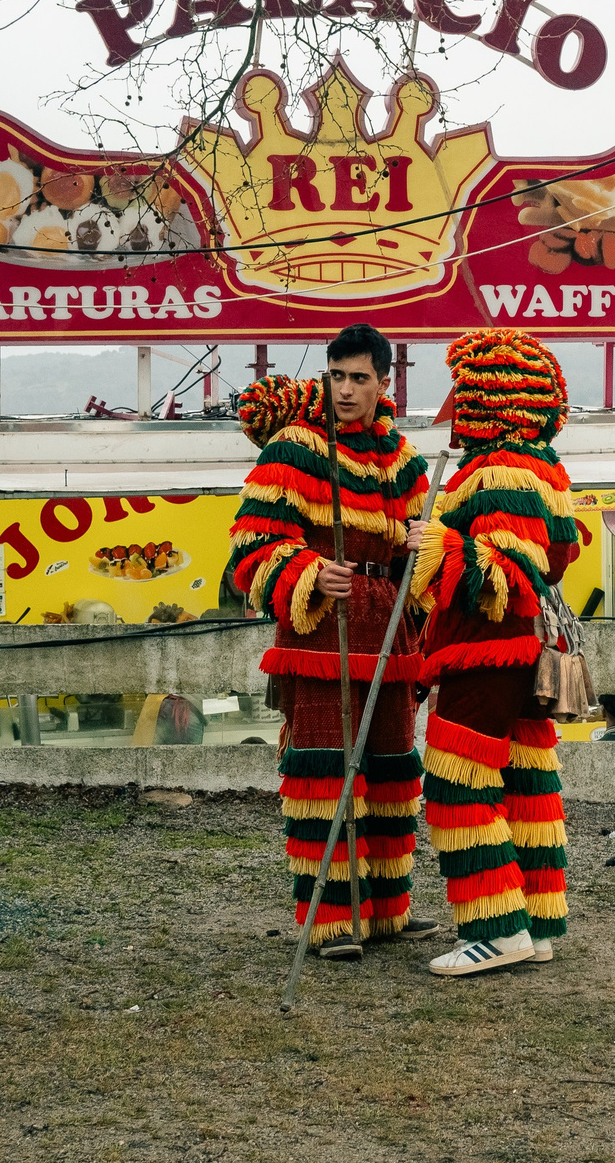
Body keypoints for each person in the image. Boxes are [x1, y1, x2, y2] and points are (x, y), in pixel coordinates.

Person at [226, 325, 433, 961]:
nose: (345, 390)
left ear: (384, 381)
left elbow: (421, 564)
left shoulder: (407, 462)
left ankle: (388, 911)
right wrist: (310, 571)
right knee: (325, 778)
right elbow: (249, 547)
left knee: (393, 776)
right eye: (336, 376)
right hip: (322, 638)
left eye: (359, 378)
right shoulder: (292, 451)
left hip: (390, 640)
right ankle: (333, 918)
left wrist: (425, 551)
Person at [409, 328, 583, 976]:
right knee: (525, 784)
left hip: (486, 656)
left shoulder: (496, 471)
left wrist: (435, 546)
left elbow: (501, 577)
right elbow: (557, 558)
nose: (450, 409)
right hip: (524, 659)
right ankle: (534, 924)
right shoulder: (545, 470)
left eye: (463, 392)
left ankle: (494, 928)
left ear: (487, 396)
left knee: (457, 784)